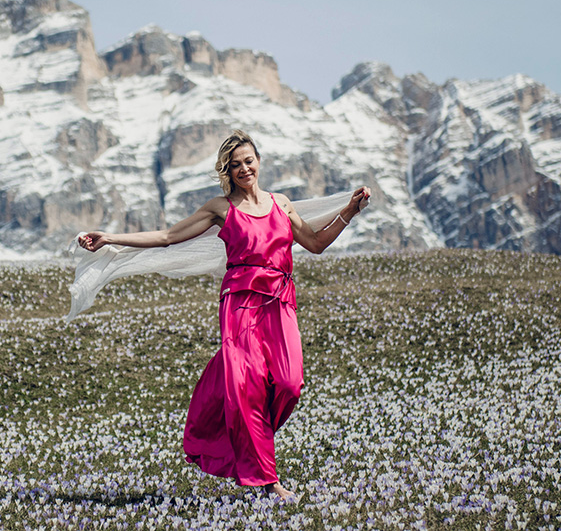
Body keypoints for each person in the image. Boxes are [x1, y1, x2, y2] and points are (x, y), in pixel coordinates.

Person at [77, 130, 370, 499]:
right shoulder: (222, 208)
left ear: (258, 162)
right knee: (245, 387)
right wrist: (111, 238)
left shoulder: (282, 204)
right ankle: (267, 481)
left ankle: (241, 442)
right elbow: (168, 236)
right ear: (228, 172)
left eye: (248, 161)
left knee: (289, 384)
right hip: (240, 306)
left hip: (280, 304)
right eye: (235, 165)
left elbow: (315, 244)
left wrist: (348, 212)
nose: (244, 168)